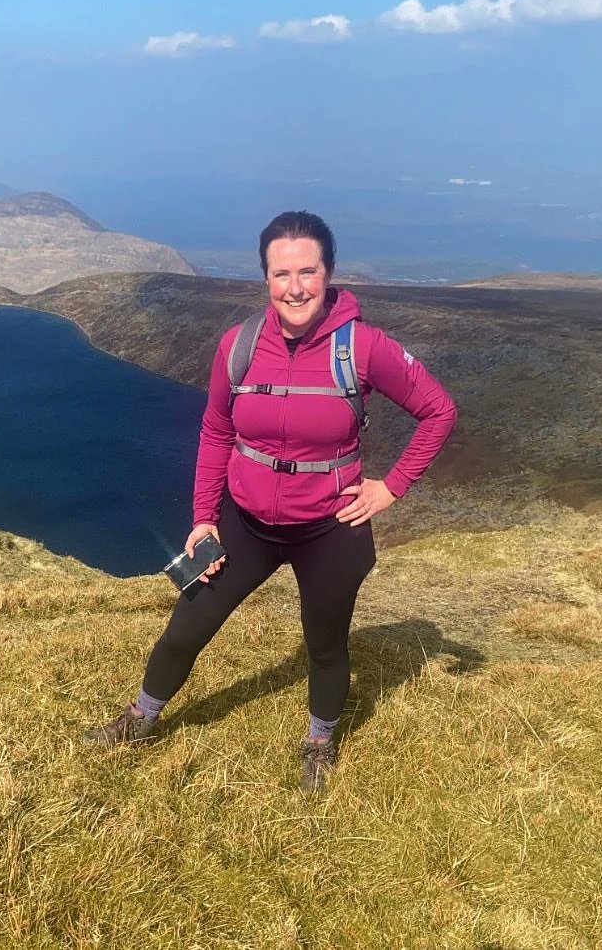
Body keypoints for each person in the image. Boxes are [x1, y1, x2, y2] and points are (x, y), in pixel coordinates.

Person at [82, 211, 457, 793]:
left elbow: (439, 410)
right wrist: (204, 517)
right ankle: (139, 719)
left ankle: (319, 740)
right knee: (188, 626)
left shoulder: (362, 346)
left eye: (308, 271)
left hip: (330, 528)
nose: (296, 287)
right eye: (282, 274)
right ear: (266, 279)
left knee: (325, 642)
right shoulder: (239, 348)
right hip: (246, 522)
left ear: (329, 273)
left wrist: (392, 486)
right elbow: (215, 432)